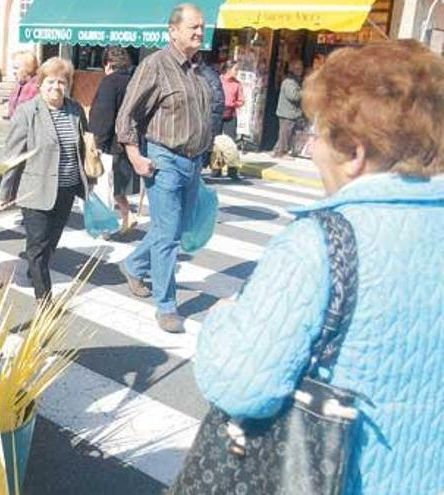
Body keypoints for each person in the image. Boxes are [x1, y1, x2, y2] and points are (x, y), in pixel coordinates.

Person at [193, 39, 444, 495]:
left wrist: (221, 321)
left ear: (355, 153)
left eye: (319, 133)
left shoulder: (322, 245)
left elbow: (241, 384)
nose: (311, 148)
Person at [115, 3, 212, 333]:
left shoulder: (197, 69)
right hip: (165, 159)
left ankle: (133, 264)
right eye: (194, 27)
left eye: (202, 27)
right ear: (173, 31)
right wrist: (134, 155)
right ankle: (166, 305)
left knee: (173, 230)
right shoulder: (155, 65)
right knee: (168, 237)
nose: (200, 32)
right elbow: (127, 114)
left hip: (192, 161)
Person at [6, 57, 89, 301]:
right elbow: (12, 156)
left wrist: (87, 181)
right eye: (50, 81)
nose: (56, 87)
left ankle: (36, 270)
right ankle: (45, 299)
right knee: (38, 247)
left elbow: (82, 147)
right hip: (35, 190)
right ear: (41, 83)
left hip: (65, 189)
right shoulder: (27, 112)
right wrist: (5, 193)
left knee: (51, 243)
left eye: (62, 82)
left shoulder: (75, 110)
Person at [88, 46, 138, 231]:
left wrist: (97, 142)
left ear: (108, 64)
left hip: (111, 143)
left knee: (103, 185)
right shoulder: (133, 81)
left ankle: (104, 226)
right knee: (116, 184)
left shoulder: (110, 82)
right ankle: (127, 214)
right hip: (130, 142)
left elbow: (104, 114)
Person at [0, 50, 39, 207]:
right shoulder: (20, 84)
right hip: (16, 129)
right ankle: (12, 199)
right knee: (15, 167)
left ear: (26, 69)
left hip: (26, 134)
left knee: (12, 164)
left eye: (15, 68)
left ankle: (4, 197)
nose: (12, 72)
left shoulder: (35, 87)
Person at [272, 58, 303, 158]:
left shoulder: (293, 81)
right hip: (287, 113)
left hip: (290, 112)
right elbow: (293, 96)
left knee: (284, 134)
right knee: (285, 134)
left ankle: (277, 150)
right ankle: (282, 153)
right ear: (293, 69)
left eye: (301, 67)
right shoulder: (289, 82)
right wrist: (304, 92)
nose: (301, 70)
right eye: (298, 68)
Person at [219, 60, 243, 140]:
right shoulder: (219, 80)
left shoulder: (237, 84)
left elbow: (241, 100)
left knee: (230, 140)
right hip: (218, 113)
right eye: (235, 69)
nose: (237, 72)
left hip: (230, 115)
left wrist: (232, 104)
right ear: (228, 70)